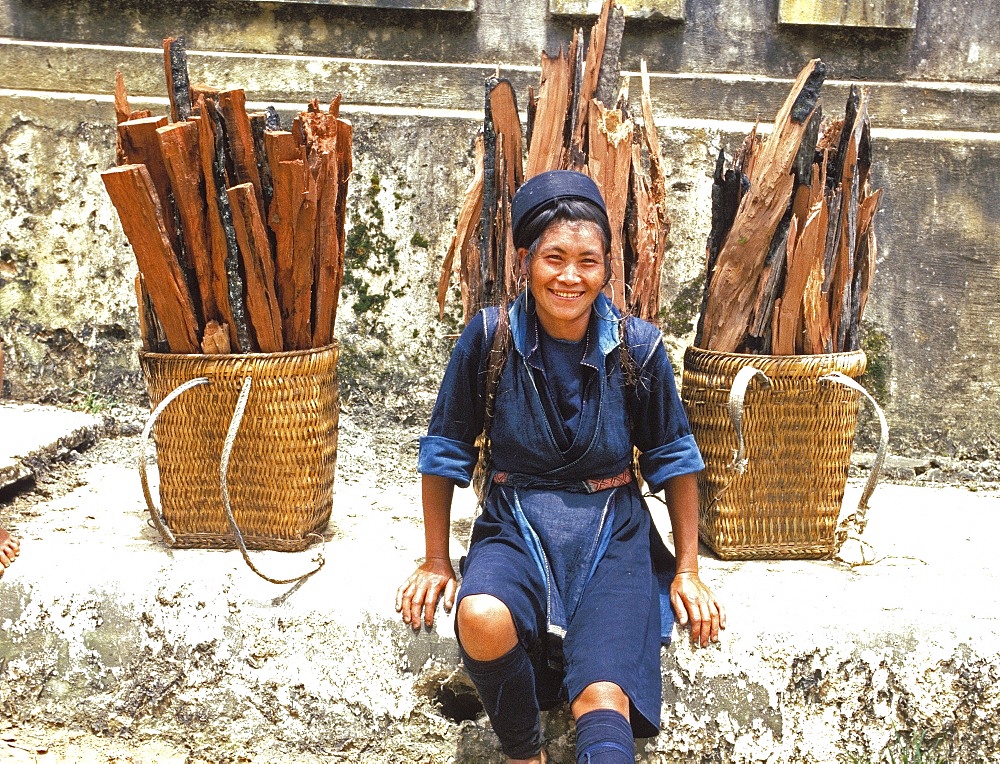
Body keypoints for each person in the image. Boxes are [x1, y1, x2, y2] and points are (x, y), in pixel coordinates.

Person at [396, 170, 725, 764]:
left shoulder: (639, 347)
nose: (570, 276)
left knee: (601, 695)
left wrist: (687, 570)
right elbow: (444, 449)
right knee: (481, 614)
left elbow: (674, 461)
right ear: (527, 260)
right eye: (554, 257)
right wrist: (437, 559)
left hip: (612, 530)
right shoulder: (490, 338)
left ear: (605, 269)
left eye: (588, 261)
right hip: (515, 522)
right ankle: (526, 753)